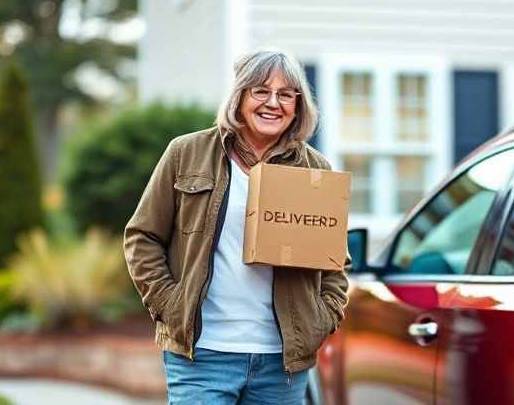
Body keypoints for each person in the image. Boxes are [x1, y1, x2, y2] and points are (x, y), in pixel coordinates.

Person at [123, 50, 349, 404]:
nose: (273, 103)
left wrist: (321, 319)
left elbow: (334, 262)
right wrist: (169, 304)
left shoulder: (315, 170)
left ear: (298, 105)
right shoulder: (186, 153)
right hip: (202, 356)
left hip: (281, 364)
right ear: (240, 96)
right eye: (260, 90)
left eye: (286, 94)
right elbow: (143, 237)